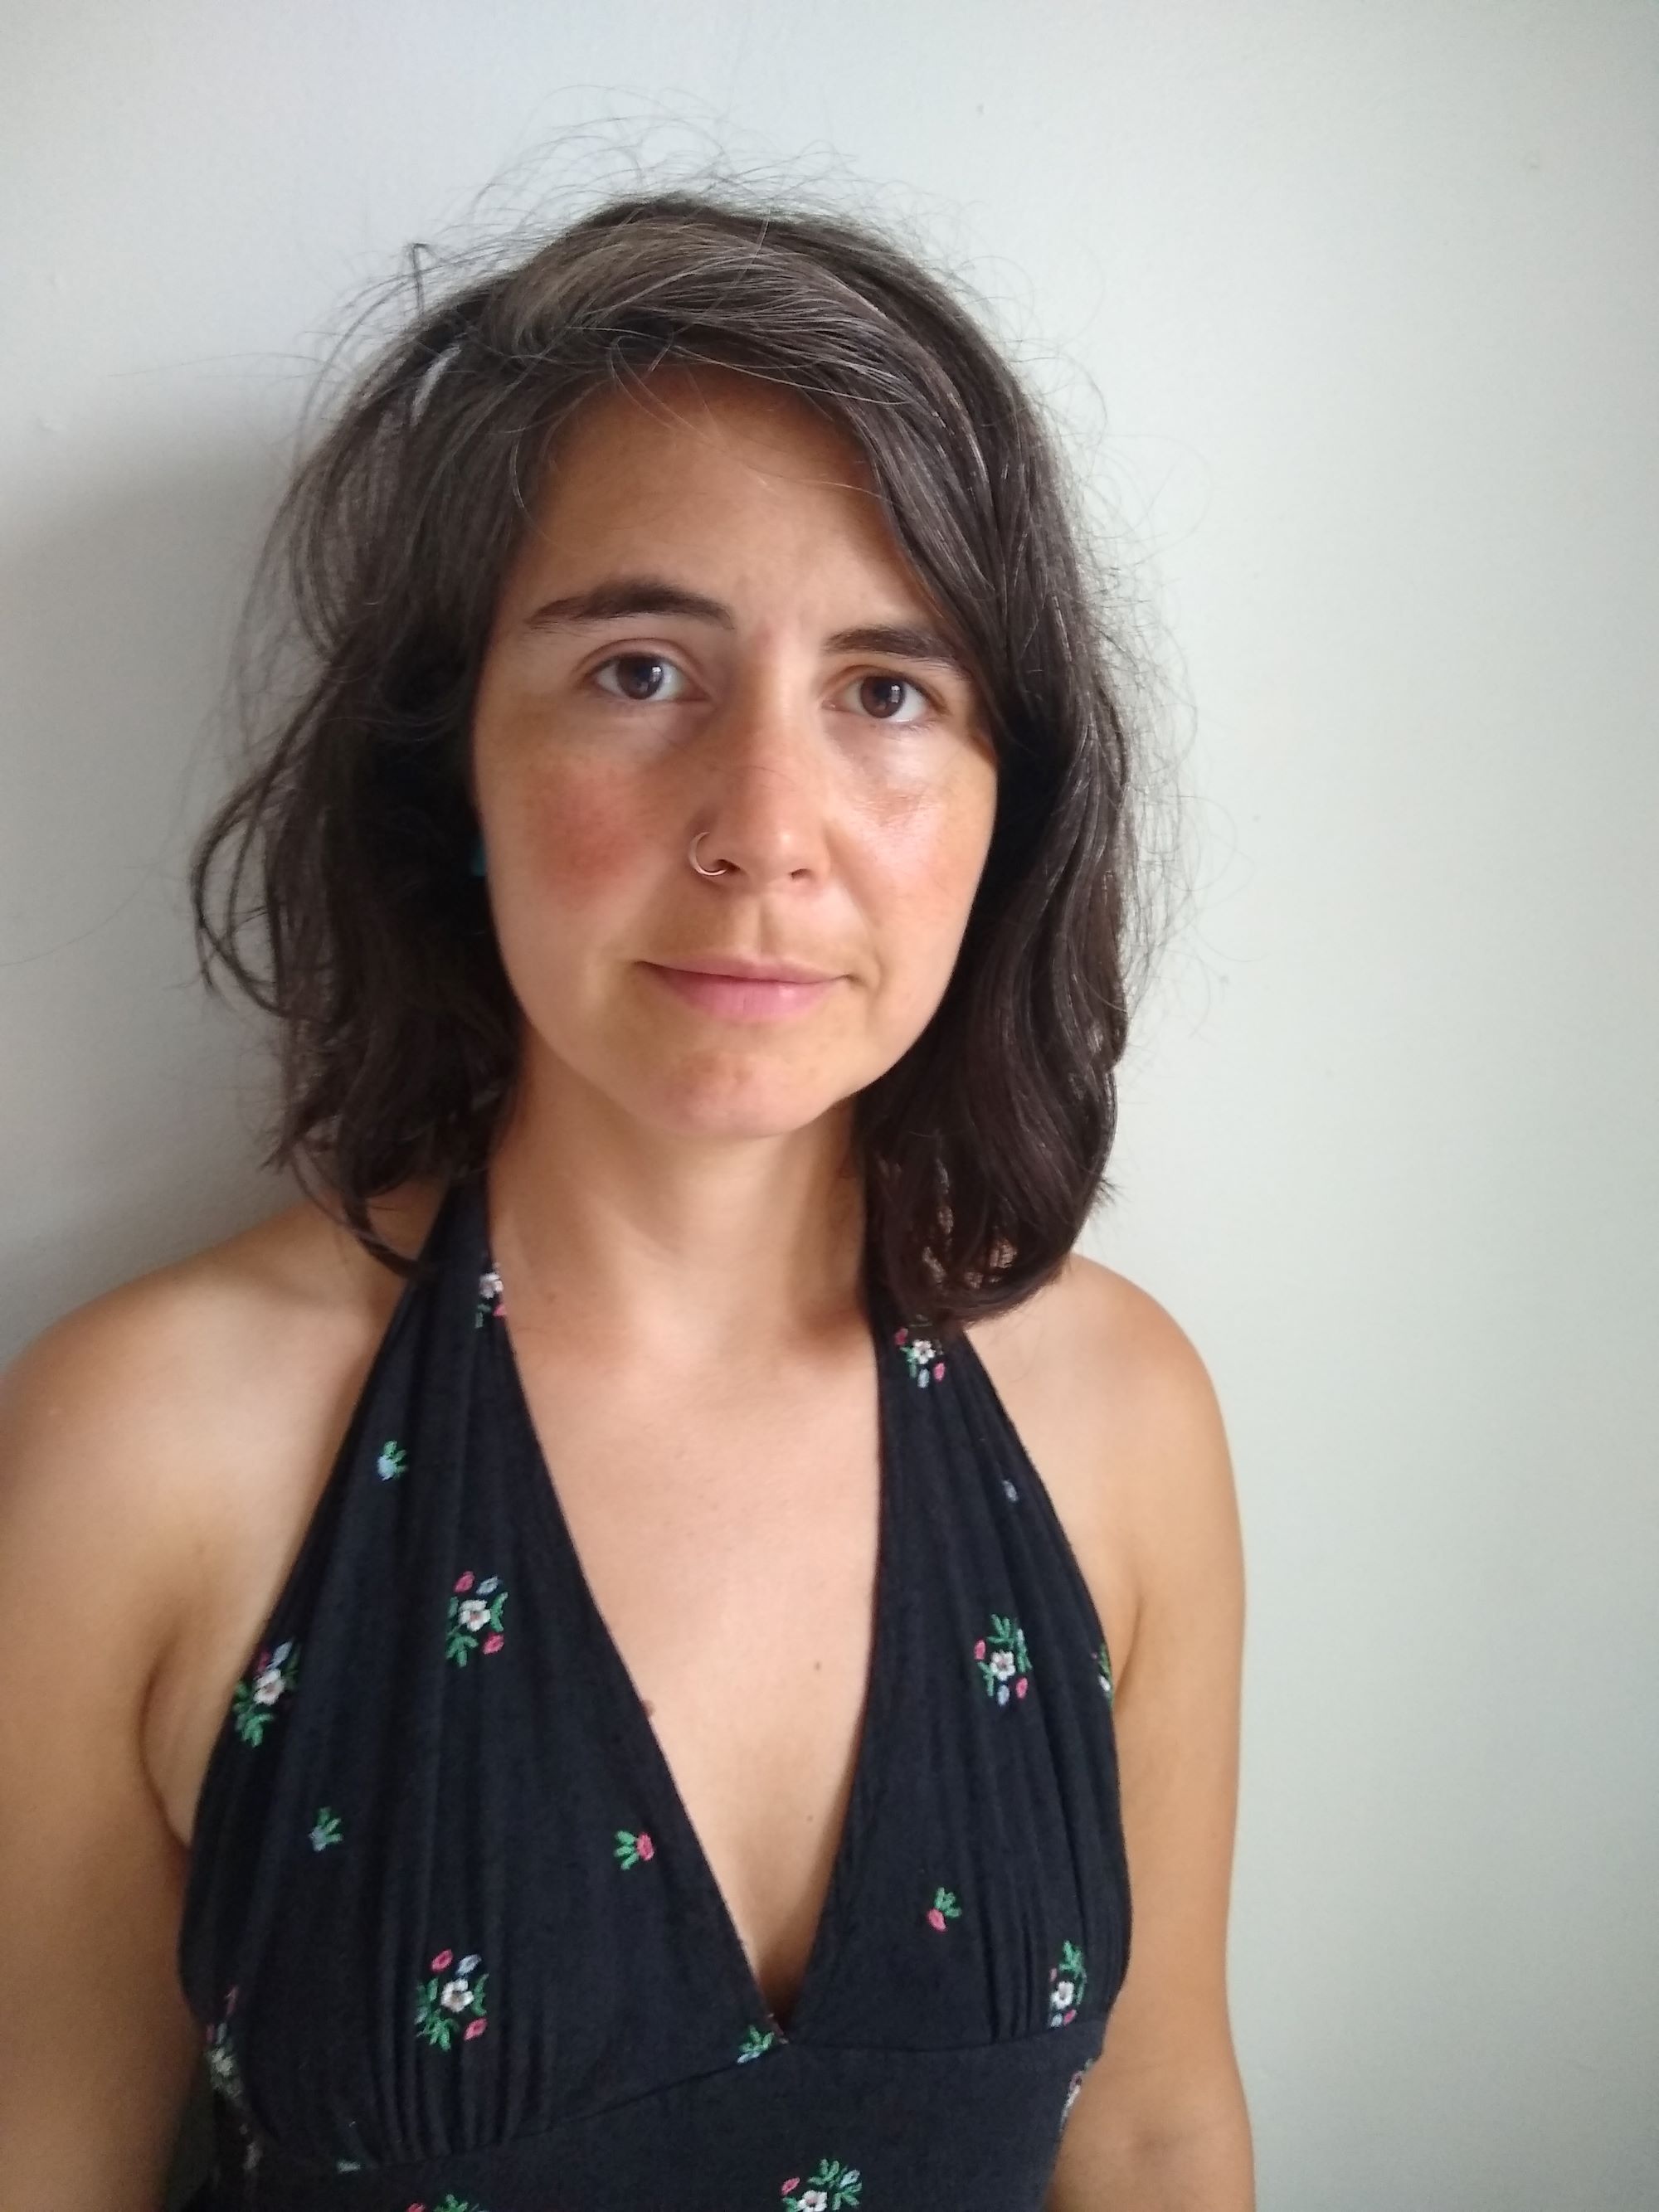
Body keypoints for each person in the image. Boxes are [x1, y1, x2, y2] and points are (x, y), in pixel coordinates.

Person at [0, 182, 1253, 2210]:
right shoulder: (148, 1444)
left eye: (885, 690)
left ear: (1004, 803)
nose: (766, 831)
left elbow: (1155, 2122)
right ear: (451, 771)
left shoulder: (1121, 1420)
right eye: (641, 671)